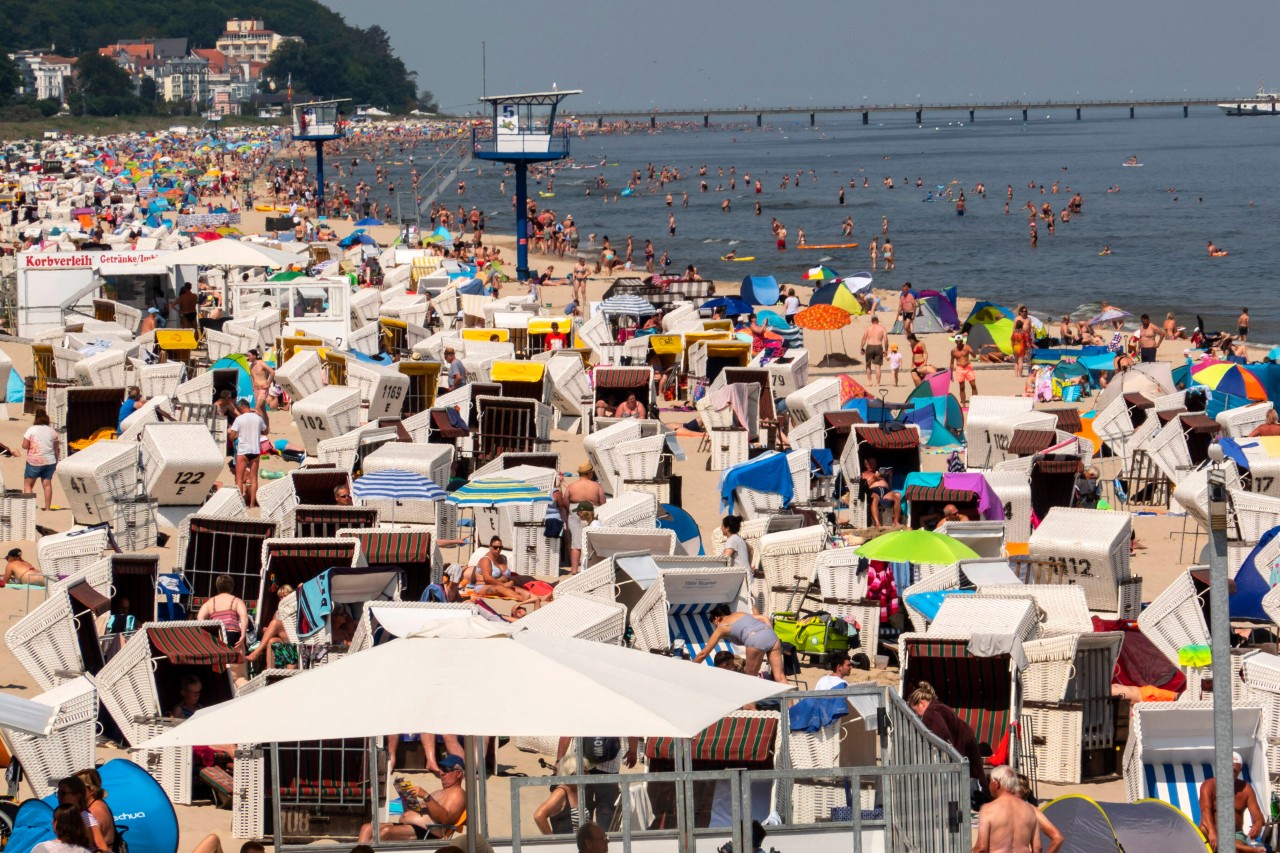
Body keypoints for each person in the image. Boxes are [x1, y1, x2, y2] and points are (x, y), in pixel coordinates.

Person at [358, 754, 466, 842]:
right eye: (441, 769)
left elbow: (445, 818)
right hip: (412, 826)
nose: (442, 773)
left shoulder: (458, 794)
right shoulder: (438, 792)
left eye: (446, 769)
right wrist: (406, 798)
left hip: (428, 832)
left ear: (459, 773)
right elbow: (415, 811)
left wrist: (426, 796)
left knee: (385, 832)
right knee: (367, 828)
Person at [907, 683, 984, 787]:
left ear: (922, 703)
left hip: (962, 751)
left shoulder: (930, 714)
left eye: (915, 711)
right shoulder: (939, 706)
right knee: (978, 782)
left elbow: (943, 737)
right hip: (967, 744)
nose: (917, 715)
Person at [694, 604, 787, 684]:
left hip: (754, 638)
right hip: (771, 634)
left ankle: (750, 705)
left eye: (714, 624)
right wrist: (768, 633)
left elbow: (703, 654)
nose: (715, 627)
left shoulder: (721, 627)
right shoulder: (740, 614)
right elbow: (764, 618)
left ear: (717, 618)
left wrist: (689, 669)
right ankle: (791, 705)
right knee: (780, 677)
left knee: (750, 679)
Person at [1199, 751, 1266, 852]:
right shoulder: (1208, 786)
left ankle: (1245, 849)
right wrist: (1212, 832)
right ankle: (1250, 850)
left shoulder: (1246, 789)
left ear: (1240, 769)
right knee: (1204, 828)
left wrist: (1258, 825)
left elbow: (1258, 815)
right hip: (1211, 830)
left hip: (1234, 834)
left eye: (1234, 770)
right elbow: (1205, 810)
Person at [973, 766, 1041, 853]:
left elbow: (981, 848)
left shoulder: (988, 809)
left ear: (996, 784)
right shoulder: (1029, 809)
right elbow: (1038, 848)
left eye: (990, 781)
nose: (989, 784)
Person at [465, 536, 542, 604]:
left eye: (500, 547)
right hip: (483, 587)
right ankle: (521, 599)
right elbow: (487, 578)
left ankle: (540, 598)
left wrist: (508, 583)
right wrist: (503, 584)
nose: (498, 549)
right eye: (495, 547)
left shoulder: (502, 558)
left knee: (521, 590)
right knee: (500, 588)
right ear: (490, 547)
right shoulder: (486, 560)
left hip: (502, 586)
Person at [565, 463, 606, 574]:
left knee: (576, 543)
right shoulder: (596, 486)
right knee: (593, 542)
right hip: (592, 511)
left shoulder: (571, 486)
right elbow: (603, 502)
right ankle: (592, 569)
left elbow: (565, 502)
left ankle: (574, 570)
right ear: (589, 473)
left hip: (576, 512)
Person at [228, 399, 267, 508]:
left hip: (243, 451)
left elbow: (232, 437)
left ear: (241, 407)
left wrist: (232, 432)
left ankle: (240, 504)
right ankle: (252, 504)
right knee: (254, 479)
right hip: (255, 451)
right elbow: (265, 431)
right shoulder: (258, 418)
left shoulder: (239, 419)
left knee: (239, 479)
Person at [55, 776, 109, 853]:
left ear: (77, 795)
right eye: (58, 793)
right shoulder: (65, 816)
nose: (59, 797)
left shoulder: (84, 816)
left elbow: (102, 848)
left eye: (63, 793)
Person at [197, 574, 249, 653]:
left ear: (217, 587)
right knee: (240, 654)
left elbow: (200, 618)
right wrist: (243, 635)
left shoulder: (210, 602)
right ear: (232, 587)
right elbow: (244, 617)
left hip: (216, 634)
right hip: (232, 633)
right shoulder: (236, 601)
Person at [23, 407, 58, 512]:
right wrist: (56, 461)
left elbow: (24, 445)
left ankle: (31, 508)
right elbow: (57, 449)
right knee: (47, 485)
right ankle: (47, 508)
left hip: (34, 461)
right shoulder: (52, 432)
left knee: (28, 484)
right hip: (50, 461)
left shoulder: (31, 429)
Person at [75, 769, 115, 850]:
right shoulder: (101, 803)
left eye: (78, 787)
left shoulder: (91, 813)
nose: (74, 791)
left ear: (91, 789)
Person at [861, 456, 902, 529]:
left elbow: (889, 485)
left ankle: (896, 522)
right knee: (875, 498)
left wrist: (889, 475)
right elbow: (865, 486)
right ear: (866, 465)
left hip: (885, 492)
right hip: (873, 492)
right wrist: (874, 478)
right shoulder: (864, 474)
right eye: (871, 463)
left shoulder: (880, 473)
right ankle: (877, 524)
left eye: (874, 463)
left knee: (897, 495)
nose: (874, 465)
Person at [949, 335, 978, 407]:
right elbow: (952, 362)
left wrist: (971, 352)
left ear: (962, 341)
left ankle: (975, 401)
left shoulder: (967, 347)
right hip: (960, 368)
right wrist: (951, 373)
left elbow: (974, 356)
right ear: (955, 341)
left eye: (960, 341)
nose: (959, 342)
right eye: (957, 341)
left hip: (968, 367)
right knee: (962, 387)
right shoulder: (953, 351)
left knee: (973, 385)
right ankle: (964, 403)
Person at [245, 349, 275, 416]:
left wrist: (268, 383)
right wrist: (253, 385)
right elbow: (252, 377)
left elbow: (272, 372)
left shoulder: (261, 363)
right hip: (256, 389)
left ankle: (260, 425)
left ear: (254, 356)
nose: (248, 357)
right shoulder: (251, 366)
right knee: (262, 410)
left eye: (249, 356)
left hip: (263, 388)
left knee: (257, 408)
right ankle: (266, 426)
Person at [860, 316, 887, 385]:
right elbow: (886, 340)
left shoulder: (868, 328)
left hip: (870, 346)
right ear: (878, 321)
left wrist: (861, 348)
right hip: (878, 346)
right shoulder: (882, 328)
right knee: (878, 366)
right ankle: (877, 383)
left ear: (871, 321)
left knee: (868, 365)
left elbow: (864, 338)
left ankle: (870, 381)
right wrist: (886, 349)